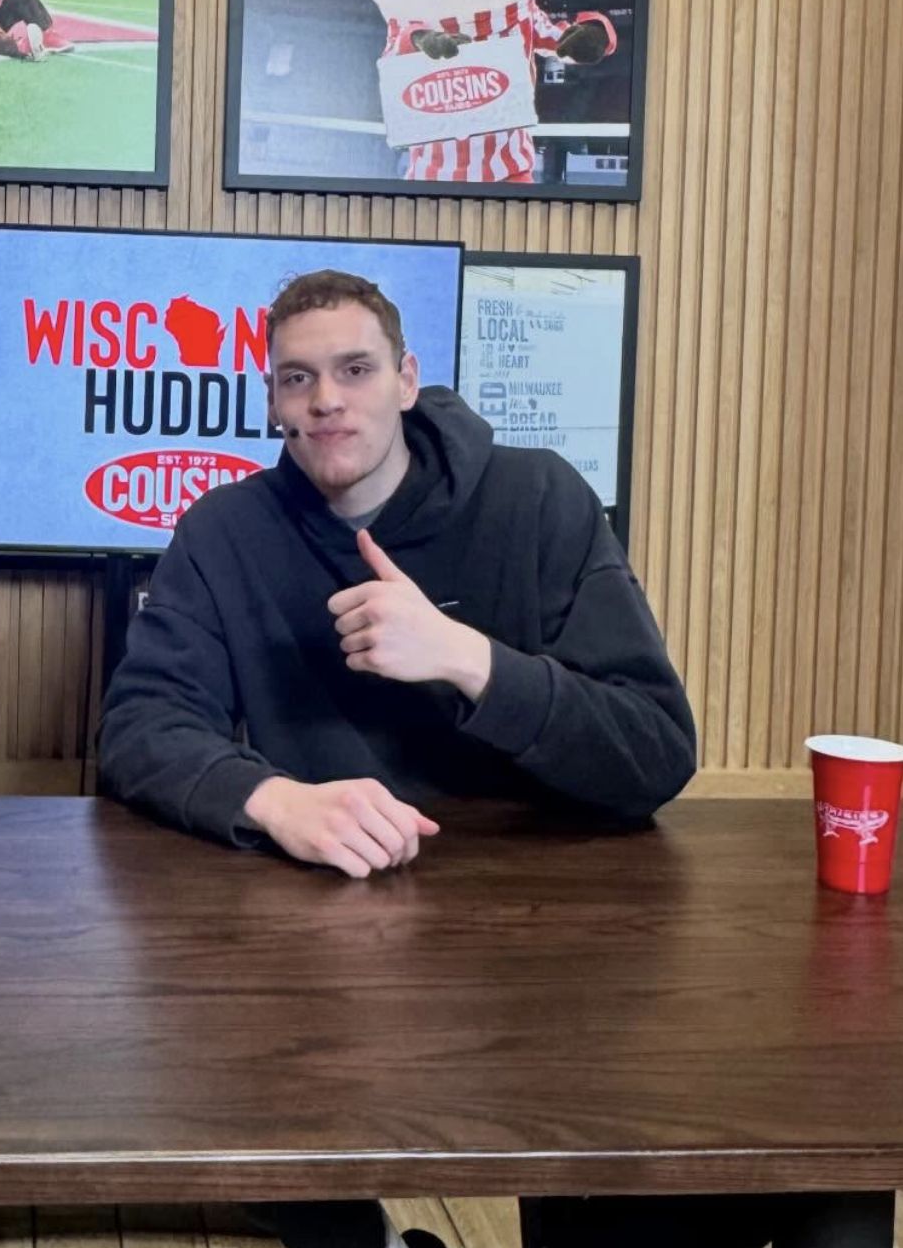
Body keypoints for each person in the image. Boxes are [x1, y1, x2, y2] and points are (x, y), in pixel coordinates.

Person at [97, 269, 890, 1248]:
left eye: (353, 369)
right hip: (334, 947)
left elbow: (652, 751)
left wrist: (465, 660)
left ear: (405, 378)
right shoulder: (226, 529)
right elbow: (139, 726)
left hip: (561, 952)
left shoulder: (539, 496)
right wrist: (271, 798)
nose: (326, 400)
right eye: (296, 379)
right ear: (271, 399)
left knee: (829, 1183)